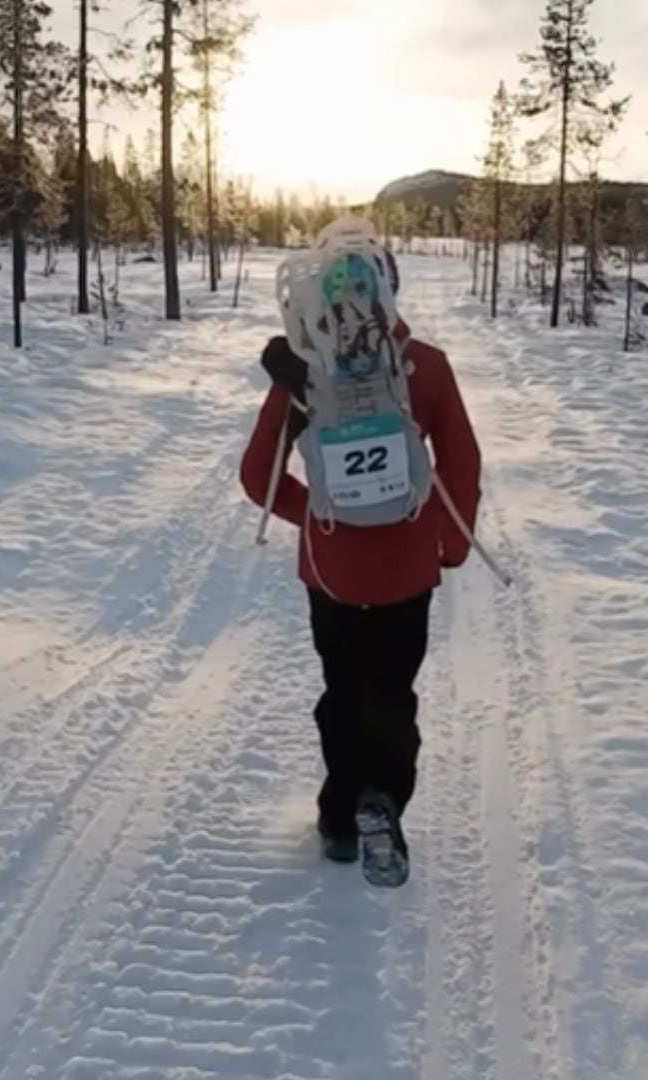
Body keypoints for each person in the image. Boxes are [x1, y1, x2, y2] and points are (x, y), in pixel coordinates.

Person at [239, 234, 482, 885]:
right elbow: (462, 462)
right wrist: (451, 543)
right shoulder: (426, 366)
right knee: (393, 692)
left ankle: (341, 823)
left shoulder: (305, 370)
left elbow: (258, 473)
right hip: (408, 569)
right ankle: (384, 800)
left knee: (343, 691)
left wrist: (317, 515)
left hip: (332, 573)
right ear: (388, 289)